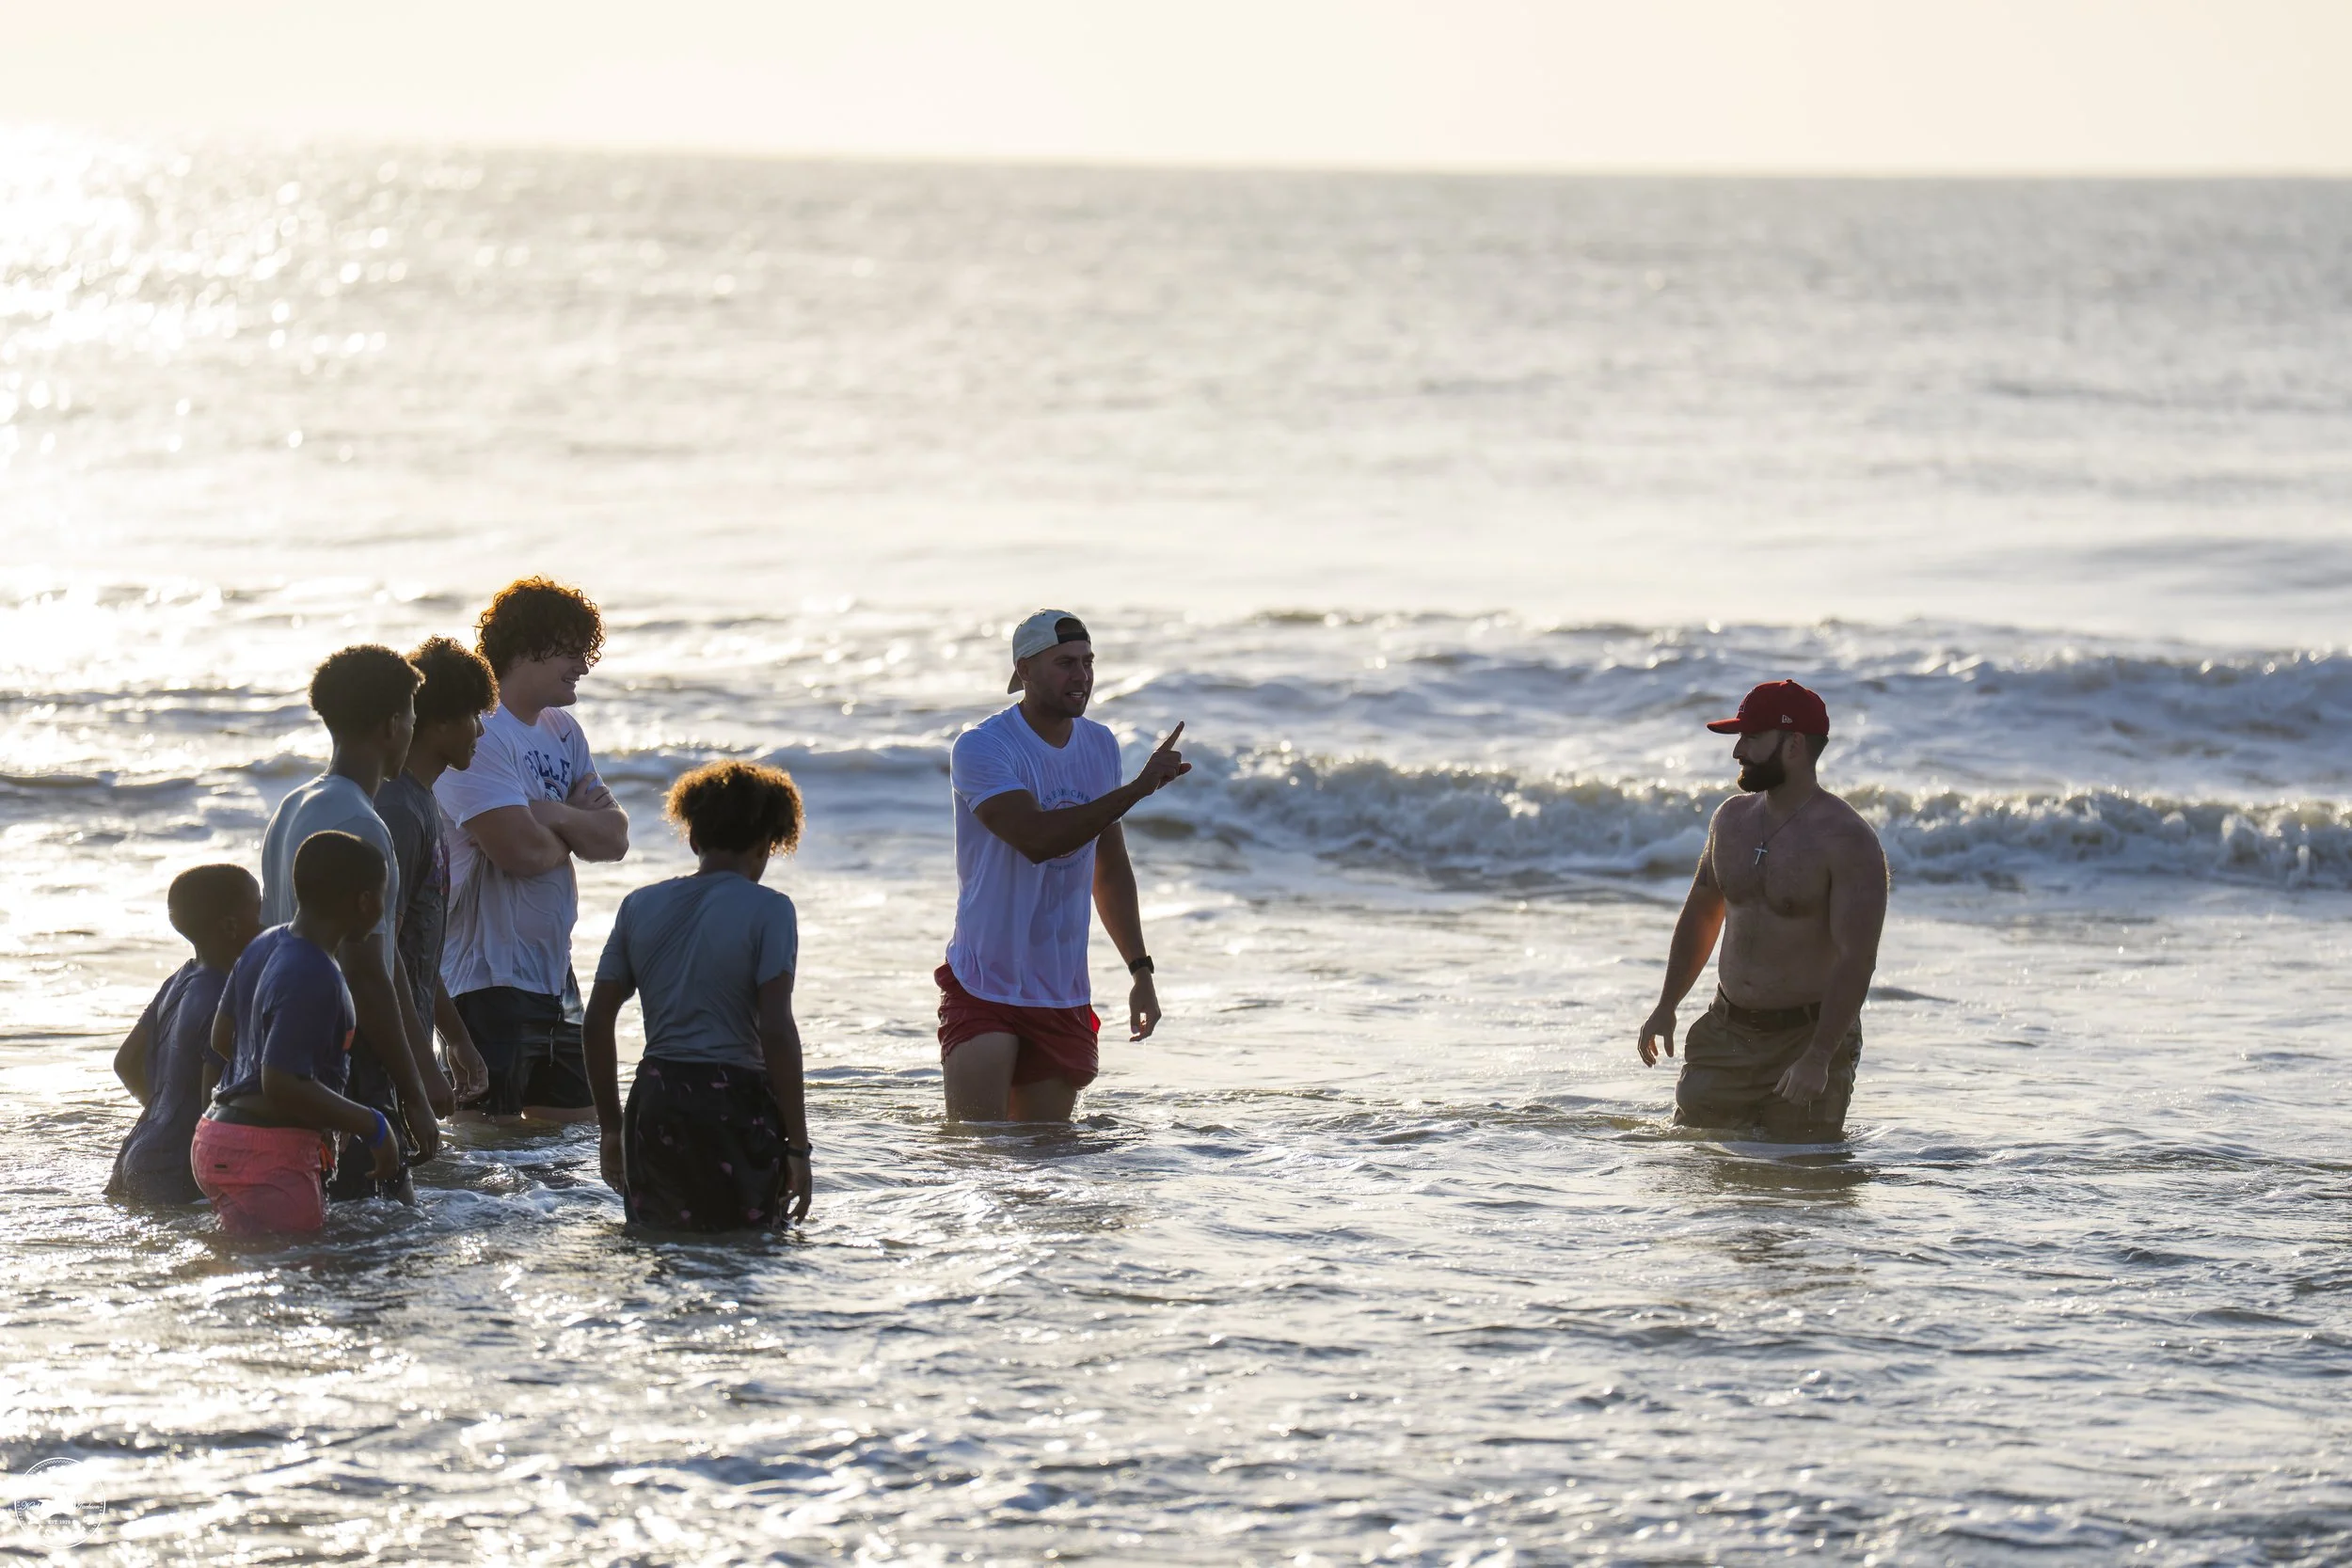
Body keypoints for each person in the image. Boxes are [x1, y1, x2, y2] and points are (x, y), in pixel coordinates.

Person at [936, 610, 1190, 1122]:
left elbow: (1110, 865)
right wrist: (1138, 789)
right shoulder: (983, 746)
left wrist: (1140, 970)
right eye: (1065, 663)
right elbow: (1036, 839)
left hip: (1061, 991)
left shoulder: (1099, 744)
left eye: (1089, 662)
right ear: (1024, 670)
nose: (1082, 676)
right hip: (986, 980)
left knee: (1047, 1168)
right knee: (976, 1153)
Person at [1636, 680, 1889, 1141]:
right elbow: (1701, 914)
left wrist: (1818, 1055)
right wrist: (1666, 1005)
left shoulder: (1847, 840)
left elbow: (1858, 958)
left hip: (1805, 1040)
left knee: (1806, 1181)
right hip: (1726, 1032)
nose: (1738, 750)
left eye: (1752, 738)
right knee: (1701, 1168)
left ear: (1793, 744)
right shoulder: (1730, 820)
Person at [583, 760, 811, 1231]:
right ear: (769, 843)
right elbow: (775, 1028)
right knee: (746, 1252)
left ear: (692, 839)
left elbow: (597, 1019)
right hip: (736, 1103)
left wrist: (610, 1125)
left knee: (658, 1245)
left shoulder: (639, 905)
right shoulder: (771, 910)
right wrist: (797, 1147)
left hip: (657, 1098)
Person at [436, 578, 629, 1123]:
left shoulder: (563, 731)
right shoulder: (480, 731)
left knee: (571, 1144)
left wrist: (553, 814)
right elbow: (516, 851)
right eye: (572, 652)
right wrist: (571, 828)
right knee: (481, 1153)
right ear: (526, 648)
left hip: (553, 973)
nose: (583, 667)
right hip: (485, 976)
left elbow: (615, 837)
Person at [259, 645, 449, 1199]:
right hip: (345, 1058)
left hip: (289, 1044)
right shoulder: (358, 823)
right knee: (386, 1238)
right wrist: (413, 1091)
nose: (413, 729)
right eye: (412, 716)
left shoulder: (295, 804)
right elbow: (367, 971)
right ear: (393, 724)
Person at [195, 831, 405, 1235]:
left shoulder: (265, 943)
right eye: (381, 896)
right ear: (363, 901)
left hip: (217, 1138)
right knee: (294, 1285)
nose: (382, 909)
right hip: (265, 1155)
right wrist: (373, 1125)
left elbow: (223, 1039)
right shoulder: (315, 972)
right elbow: (281, 1082)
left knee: (251, 1274)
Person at [376, 636, 497, 1111]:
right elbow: (383, 954)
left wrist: (455, 1038)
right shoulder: (398, 812)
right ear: (440, 723)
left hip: (408, 1048)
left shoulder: (424, 802)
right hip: (383, 1058)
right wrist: (424, 1072)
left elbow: (419, 949)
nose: (480, 733)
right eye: (474, 718)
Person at [106, 864, 263, 1205]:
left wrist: (166, 1112)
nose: (267, 924)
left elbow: (125, 1062)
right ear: (231, 927)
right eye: (259, 909)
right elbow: (217, 1102)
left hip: (136, 1155)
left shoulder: (181, 978)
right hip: (176, 1172)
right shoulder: (229, 999)